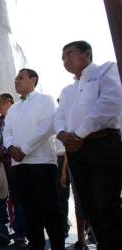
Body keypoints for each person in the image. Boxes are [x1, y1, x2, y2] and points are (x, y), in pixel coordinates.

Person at [54, 40, 122, 249]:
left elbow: (109, 104)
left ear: (87, 53)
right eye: (63, 57)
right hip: (76, 151)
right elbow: (59, 117)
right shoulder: (66, 90)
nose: (65, 60)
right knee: (89, 205)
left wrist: (79, 135)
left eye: (70, 54)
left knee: (107, 204)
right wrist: (64, 135)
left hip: (103, 144)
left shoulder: (106, 70)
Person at [3, 68, 65, 249]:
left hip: (42, 163)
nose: (16, 81)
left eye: (20, 77)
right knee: (28, 210)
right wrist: (10, 147)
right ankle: (36, 245)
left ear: (33, 80)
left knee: (50, 210)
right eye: (16, 78)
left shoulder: (46, 100)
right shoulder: (13, 108)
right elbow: (7, 132)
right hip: (19, 165)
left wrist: (25, 149)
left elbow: (47, 127)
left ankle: (57, 246)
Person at [0, 93, 27, 248]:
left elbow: (18, 139)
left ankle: (20, 236)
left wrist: (1, 152)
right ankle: (3, 233)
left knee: (19, 201)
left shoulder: (18, 118)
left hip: (15, 165)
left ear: (8, 102)